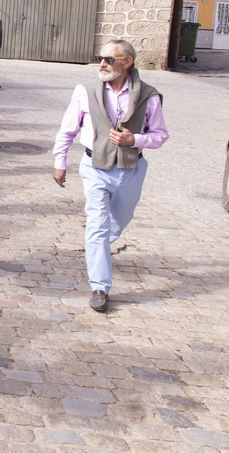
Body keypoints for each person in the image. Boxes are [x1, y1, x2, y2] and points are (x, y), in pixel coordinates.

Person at [52, 39, 168, 312]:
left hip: (131, 169)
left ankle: (98, 248)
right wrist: (60, 161)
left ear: (127, 63)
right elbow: (67, 130)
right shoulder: (85, 91)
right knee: (97, 225)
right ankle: (100, 287)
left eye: (108, 59)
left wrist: (134, 139)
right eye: (99, 58)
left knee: (119, 221)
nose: (101, 64)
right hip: (94, 168)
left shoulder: (149, 95)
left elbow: (160, 135)